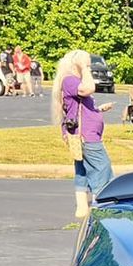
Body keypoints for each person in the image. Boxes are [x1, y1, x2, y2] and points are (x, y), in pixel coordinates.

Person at [52, 49, 114, 217]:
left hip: (80, 133)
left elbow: (78, 108)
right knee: (102, 168)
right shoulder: (70, 80)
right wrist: (83, 67)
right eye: (87, 64)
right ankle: (101, 206)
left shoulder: (71, 82)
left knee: (83, 170)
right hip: (86, 135)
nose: (89, 67)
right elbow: (88, 88)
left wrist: (99, 109)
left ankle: (82, 207)